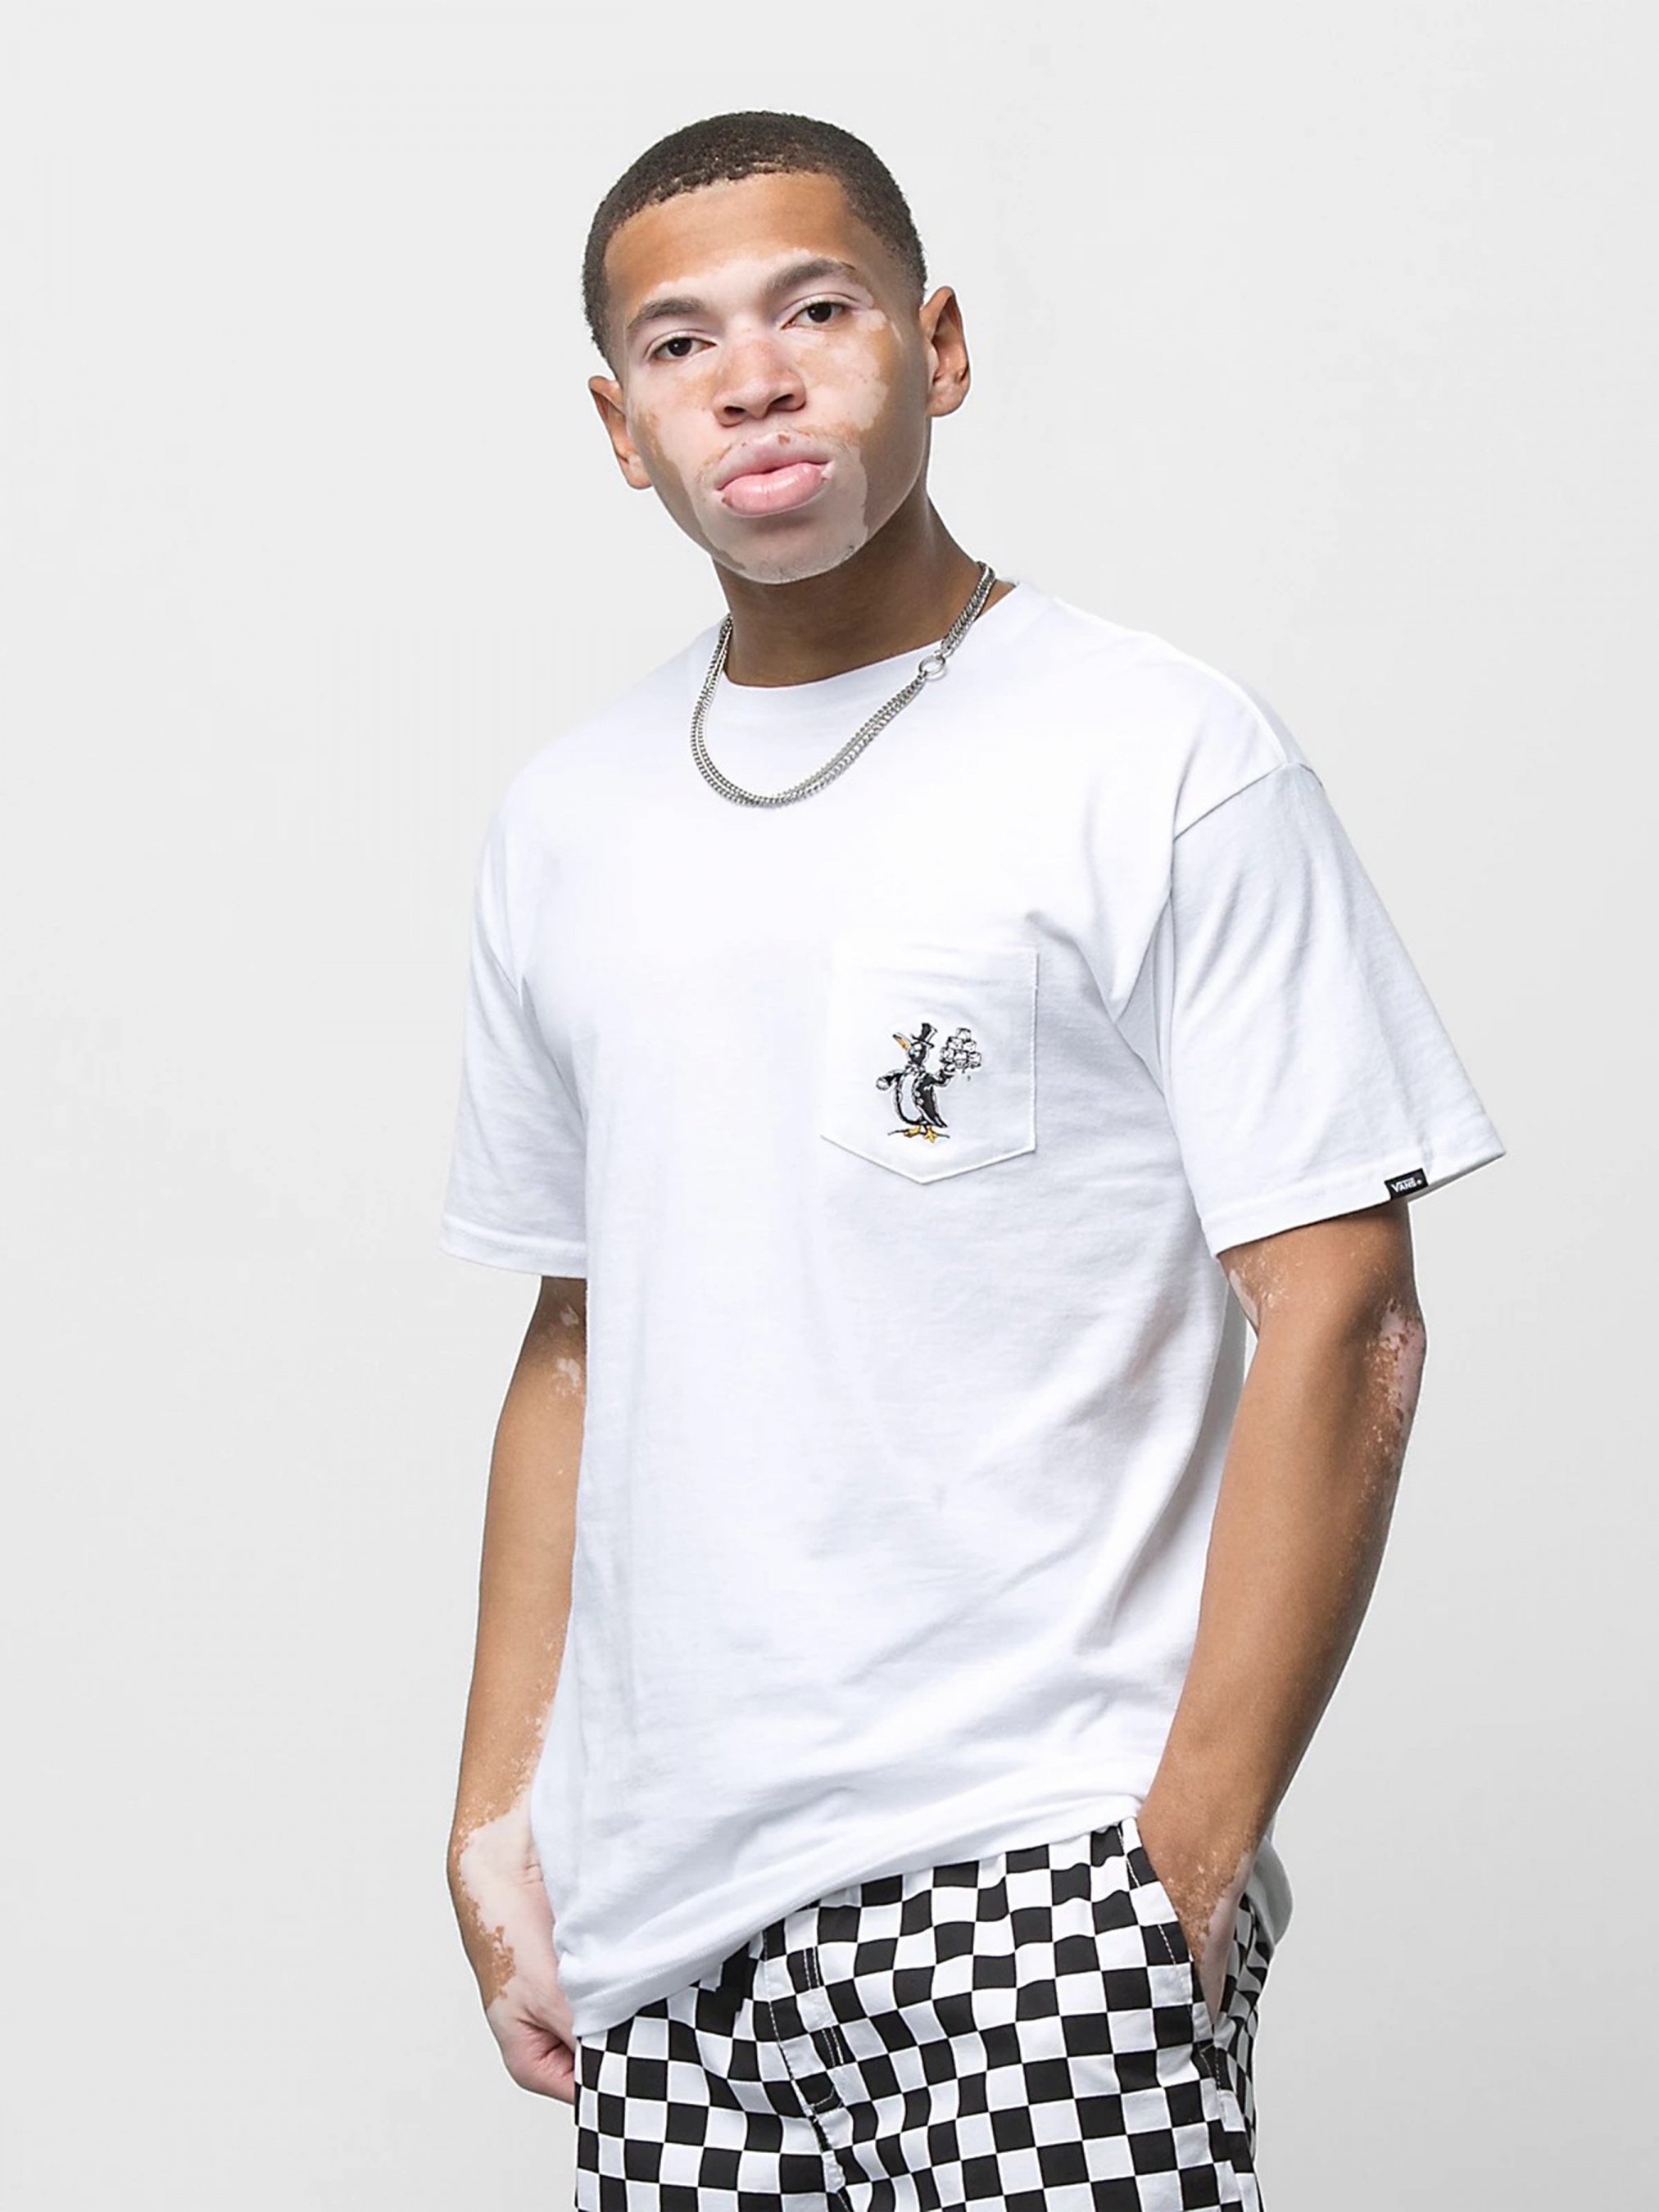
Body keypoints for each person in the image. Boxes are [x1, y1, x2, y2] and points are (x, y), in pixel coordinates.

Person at [437, 109, 1505, 2210]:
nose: (751, 378)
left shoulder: (1154, 752)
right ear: (619, 425)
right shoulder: (566, 823)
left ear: (932, 344)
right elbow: (575, 1338)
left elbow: (1340, 1307)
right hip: (665, 1916)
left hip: (1036, 1871)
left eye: (814, 310)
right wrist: (497, 1819)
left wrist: (1180, 1854)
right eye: (678, 343)